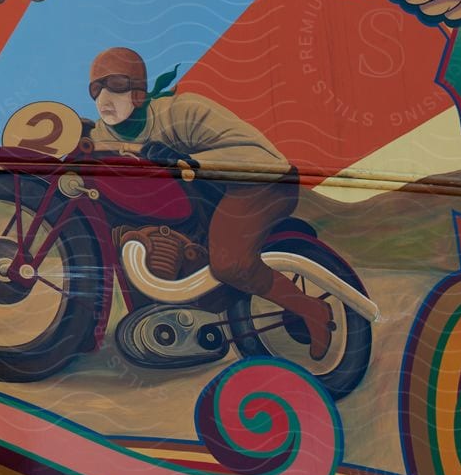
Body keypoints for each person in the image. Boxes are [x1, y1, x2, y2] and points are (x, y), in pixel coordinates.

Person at [82, 47, 333, 359]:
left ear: (138, 90)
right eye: (96, 88)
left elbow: (259, 156)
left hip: (259, 184)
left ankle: (312, 310)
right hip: (202, 203)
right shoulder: (102, 137)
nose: (104, 95)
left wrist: (187, 161)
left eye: (115, 84)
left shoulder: (182, 112)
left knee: (230, 263)